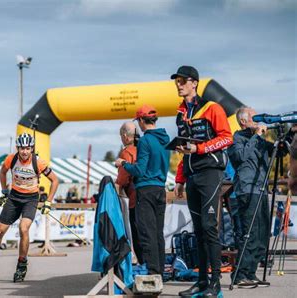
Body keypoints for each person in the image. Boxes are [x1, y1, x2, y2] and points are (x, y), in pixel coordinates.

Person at [171, 66, 233, 297]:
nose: (178, 84)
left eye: (182, 80)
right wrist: (179, 178)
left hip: (210, 172)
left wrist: (200, 148)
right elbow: (183, 150)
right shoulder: (180, 113)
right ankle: (201, 281)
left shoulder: (211, 107)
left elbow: (226, 138)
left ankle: (216, 284)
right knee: (197, 230)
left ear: (194, 83)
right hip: (191, 175)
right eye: (176, 81)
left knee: (209, 228)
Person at [0, 132, 59, 282]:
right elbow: (3, 171)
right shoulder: (11, 159)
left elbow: (55, 181)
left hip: (30, 199)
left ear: (32, 148)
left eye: (27, 148)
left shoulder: (39, 162)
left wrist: (48, 202)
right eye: (22, 148)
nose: (24, 151)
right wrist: (4, 191)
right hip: (14, 197)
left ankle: (21, 265)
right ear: (17, 148)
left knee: (23, 229)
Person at [115, 105, 170, 275]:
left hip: (145, 190)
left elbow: (139, 170)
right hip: (161, 188)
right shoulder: (165, 139)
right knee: (158, 234)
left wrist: (123, 164)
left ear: (140, 120)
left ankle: (153, 273)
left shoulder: (146, 140)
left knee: (147, 234)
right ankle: (160, 270)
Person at [228, 106, 273, 288]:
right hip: (247, 189)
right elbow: (241, 157)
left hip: (261, 189)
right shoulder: (237, 139)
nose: (258, 120)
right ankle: (239, 274)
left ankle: (251, 272)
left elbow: (280, 151)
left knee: (262, 233)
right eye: (255, 118)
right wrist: (257, 136)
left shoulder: (259, 141)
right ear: (243, 121)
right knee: (250, 233)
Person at [114, 121, 141, 262]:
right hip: (151, 194)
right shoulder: (143, 149)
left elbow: (123, 180)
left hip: (134, 198)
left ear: (125, 136)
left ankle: (143, 264)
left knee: (137, 234)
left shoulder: (126, 152)